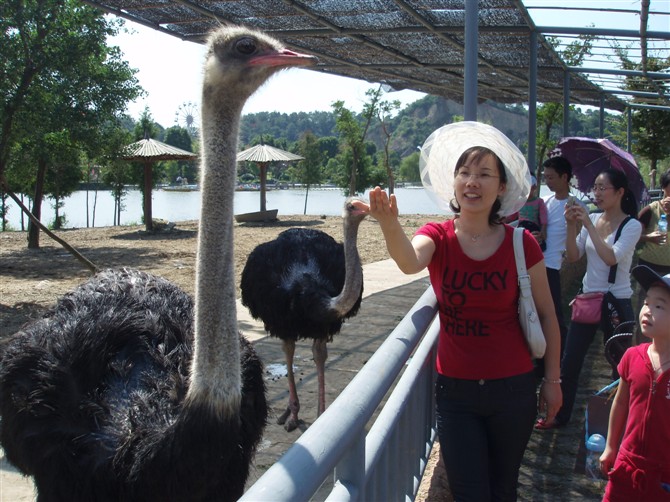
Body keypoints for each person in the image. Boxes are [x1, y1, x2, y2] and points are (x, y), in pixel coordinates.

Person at [362, 121, 562, 501]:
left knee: (504, 489)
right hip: (457, 394)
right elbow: (408, 262)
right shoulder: (437, 236)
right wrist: (389, 224)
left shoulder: (522, 244)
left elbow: (549, 315)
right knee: (470, 493)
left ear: (502, 187)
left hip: (515, 387)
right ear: (452, 183)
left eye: (485, 174)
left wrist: (552, 381)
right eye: (464, 172)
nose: (472, 181)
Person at [536, 168, 642, 429]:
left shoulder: (632, 225)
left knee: (619, 366)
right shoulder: (592, 219)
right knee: (569, 362)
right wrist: (572, 225)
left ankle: (619, 425)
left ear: (620, 192)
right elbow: (573, 256)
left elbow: (611, 257)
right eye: (594, 187)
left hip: (617, 301)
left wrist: (588, 224)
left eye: (602, 188)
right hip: (588, 300)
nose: (596, 193)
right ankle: (559, 416)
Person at [599, 265, 670, 501]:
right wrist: (610, 447)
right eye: (647, 302)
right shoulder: (632, 356)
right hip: (625, 467)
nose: (647, 310)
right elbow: (620, 404)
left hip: (664, 479)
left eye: (659, 306)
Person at [542, 156, 581, 351]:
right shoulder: (545, 202)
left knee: (553, 314)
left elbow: (579, 238)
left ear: (564, 177)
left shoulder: (575, 205)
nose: (547, 182)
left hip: (553, 266)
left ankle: (558, 358)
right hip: (539, 262)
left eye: (551, 177)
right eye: (545, 177)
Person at [636, 168, 670, 310]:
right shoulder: (650, 210)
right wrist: (648, 238)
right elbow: (632, 236)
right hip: (648, 269)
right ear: (663, 187)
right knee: (645, 310)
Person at [506, 175, 548, 251]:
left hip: (533, 227)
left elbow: (543, 216)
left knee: (537, 245)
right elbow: (512, 215)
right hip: (521, 227)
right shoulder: (519, 202)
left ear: (534, 188)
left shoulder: (539, 201)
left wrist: (543, 230)